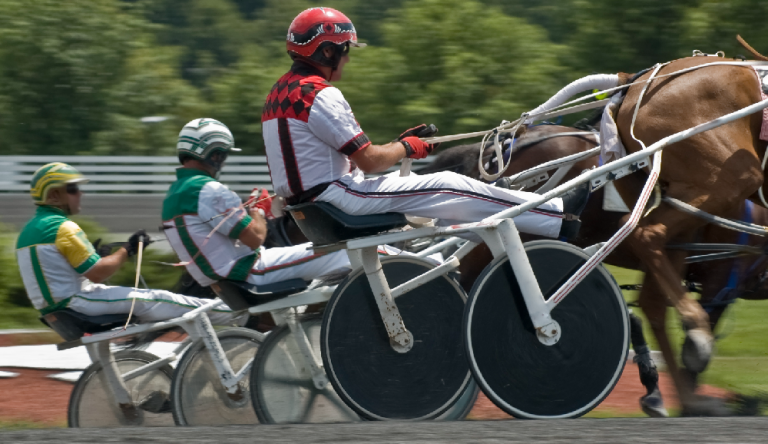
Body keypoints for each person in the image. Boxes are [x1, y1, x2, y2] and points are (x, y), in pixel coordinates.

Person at [262, 7, 589, 239]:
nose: (347, 57)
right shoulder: (319, 94)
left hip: (316, 205)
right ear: (328, 52)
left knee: (447, 203)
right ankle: (557, 216)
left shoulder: (278, 94)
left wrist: (399, 146)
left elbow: (335, 155)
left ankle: (499, 209)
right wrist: (405, 147)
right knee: (448, 184)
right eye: (345, 50)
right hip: (339, 198)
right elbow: (371, 161)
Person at [15, 162, 240, 324]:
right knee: (159, 299)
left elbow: (58, 273)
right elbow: (98, 273)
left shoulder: (29, 231)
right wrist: (128, 249)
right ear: (54, 195)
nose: (80, 193)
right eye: (72, 189)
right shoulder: (62, 227)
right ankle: (240, 315)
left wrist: (97, 255)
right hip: (78, 303)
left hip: (56, 308)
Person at [162, 118, 357, 289]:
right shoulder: (209, 189)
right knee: (346, 252)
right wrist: (258, 211)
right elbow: (256, 238)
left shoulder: (173, 194)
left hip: (222, 279)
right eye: (223, 154)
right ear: (215, 154)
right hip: (251, 272)